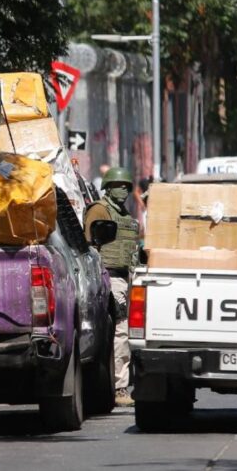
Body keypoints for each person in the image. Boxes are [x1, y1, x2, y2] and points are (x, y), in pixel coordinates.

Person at [84, 167, 140, 406]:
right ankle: (119, 388)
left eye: (127, 185)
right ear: (108, 186)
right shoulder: (100, 209)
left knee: (129, 332)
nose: (124, 189)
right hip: (110, 277)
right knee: (121, 331)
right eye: (118, 185)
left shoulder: (125, 215)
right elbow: (90, 243)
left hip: (127, 278)